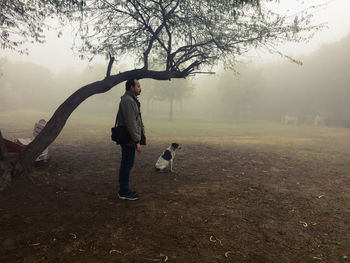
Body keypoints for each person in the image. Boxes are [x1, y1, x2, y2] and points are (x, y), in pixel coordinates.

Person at [116, 78, 145, 200]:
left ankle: (124, 189)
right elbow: (131, 123)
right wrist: (137, 141)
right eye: (138, 86)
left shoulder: (131, 100)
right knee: (127, 164)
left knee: (127, 163)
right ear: (131, 87)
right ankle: (124, 191)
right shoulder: (128, 101)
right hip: (128, 138)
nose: (140, 88)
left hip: (129, 137)